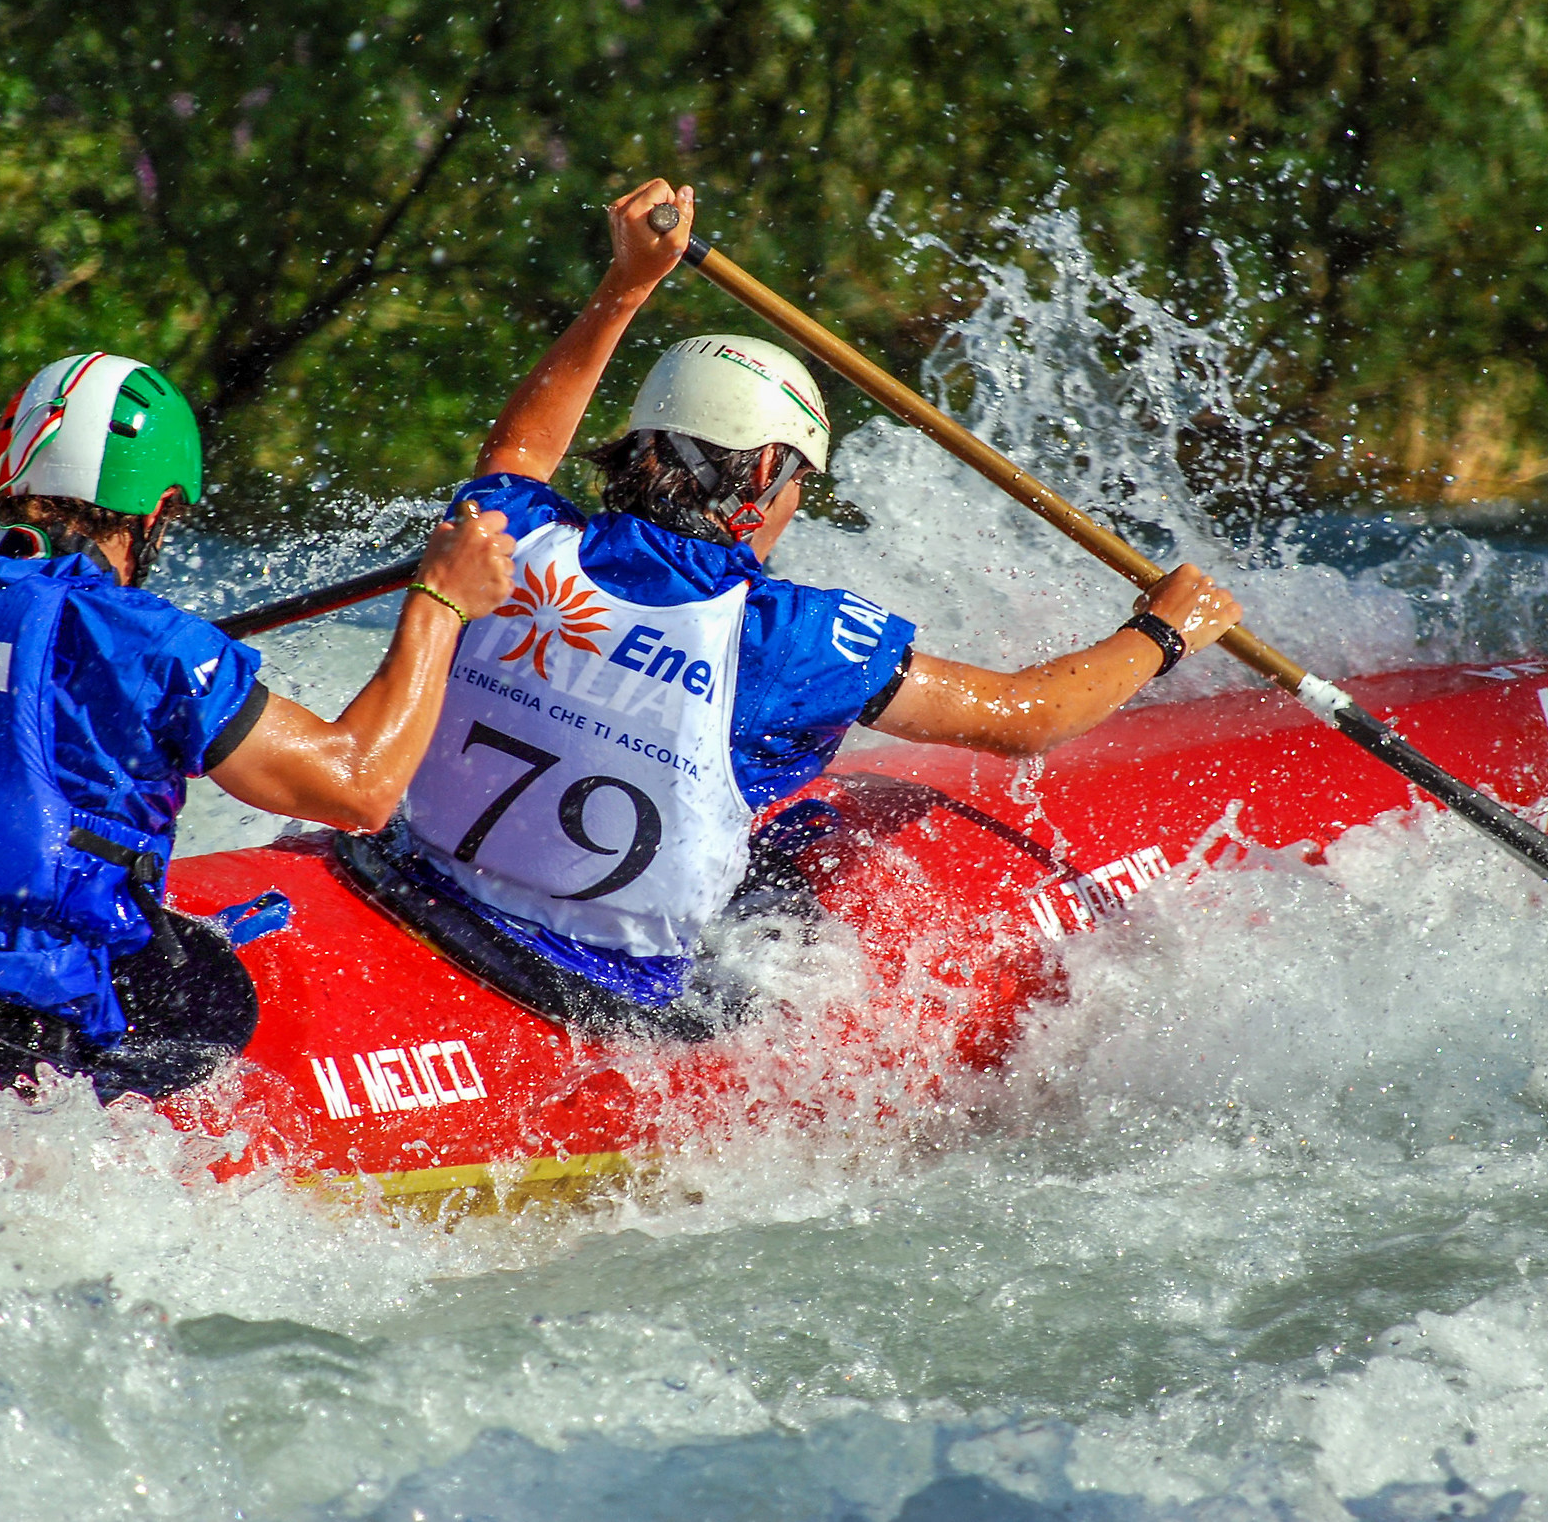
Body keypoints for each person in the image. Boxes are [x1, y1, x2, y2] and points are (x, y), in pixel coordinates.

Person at [391, 179, 1242, 1019]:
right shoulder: (790, 639)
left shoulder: (504, 542)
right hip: (591, 993)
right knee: (820, 840)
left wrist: (627, 285)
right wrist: (1164, 631)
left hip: (408, 886)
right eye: (801, 482)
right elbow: (1026, 715)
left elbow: (519, 448)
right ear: (766, 473)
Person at [0, 351, 514, 1048]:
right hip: (29, 1007)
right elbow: (357, 789)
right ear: (159, 507)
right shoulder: (148, 646)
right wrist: (440, 603)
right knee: (214, 989)